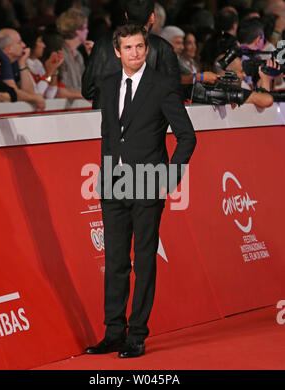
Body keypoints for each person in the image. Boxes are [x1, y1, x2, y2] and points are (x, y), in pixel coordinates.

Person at [84, 23, 196, 358]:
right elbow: (110, 135)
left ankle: (137, 335)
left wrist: (167, 178)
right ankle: (113, 332)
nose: (135, 53)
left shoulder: (162, 85)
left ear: (146, 49)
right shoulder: (106, 85)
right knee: (116, 259)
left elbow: (187, 136)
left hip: (148, 182)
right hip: (113, 184)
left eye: (139, 47)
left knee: (144, 259)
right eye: (128, 48)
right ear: (117, 52)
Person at [82, 0, 181, 109]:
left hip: (105, 120)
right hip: (146, 120)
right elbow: (173, 93)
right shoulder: (163, 47)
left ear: (126, 16)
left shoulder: (102, 44)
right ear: (152, 17)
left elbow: (88, 90)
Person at [0, 28, 46, 111]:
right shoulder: (1, 57)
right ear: (8, 49)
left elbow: (29, 92)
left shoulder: (15, 61)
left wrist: (22, 63)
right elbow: (14, 92)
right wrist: (35, 98)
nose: (24, 45)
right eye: (19, 42)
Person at [21, 27, 64, 98]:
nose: (44, 46)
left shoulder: (38, 64)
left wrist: (54, 71)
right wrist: (49, 73)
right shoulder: (23, 65)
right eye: (40, 41)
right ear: (31, 44)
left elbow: (50, 94)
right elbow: (37, 94)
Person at [56, 7, 92, 92]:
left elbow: (85, 84)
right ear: (77, 31)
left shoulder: (78, 55)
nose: (87, 31)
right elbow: (61, 89)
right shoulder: (61, 53)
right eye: (85, 28)